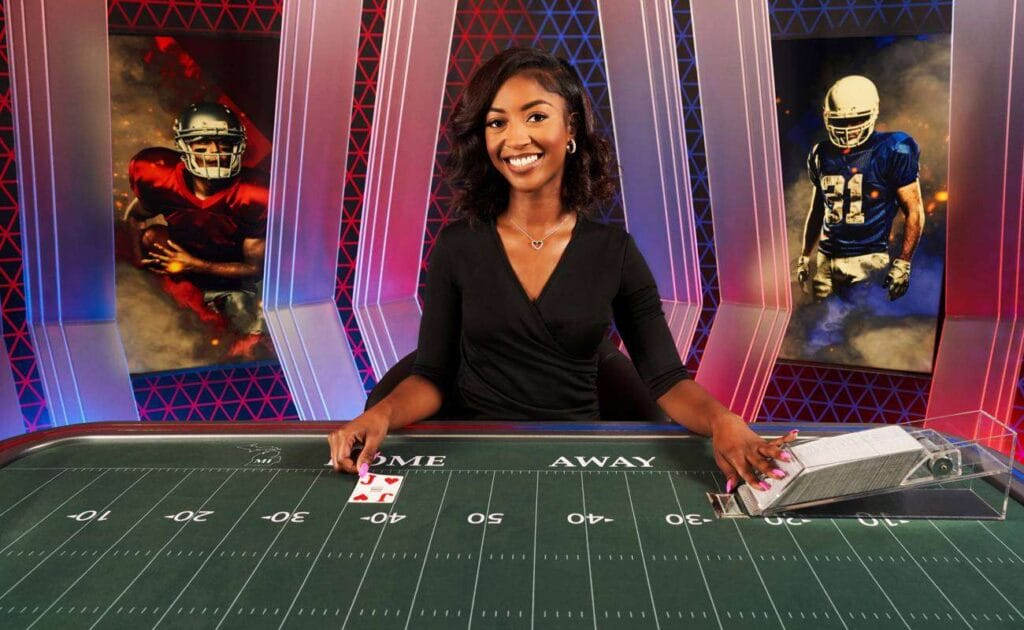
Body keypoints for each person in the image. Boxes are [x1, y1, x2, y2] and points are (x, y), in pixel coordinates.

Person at [328, 48, 793, 493]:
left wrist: (724, 421)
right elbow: (431, 375)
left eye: (535, 116)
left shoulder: (614, 251)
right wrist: (380, 415)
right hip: (473, 452)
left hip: (575, 455)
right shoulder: (457, 246)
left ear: (570, 128)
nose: (515, 139)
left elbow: (666, 380)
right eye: (497, 122)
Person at [125, 102, 269, 358]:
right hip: (186, 258)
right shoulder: (159, 174)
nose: (214, 151)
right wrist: (138, 259)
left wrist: (196, 264)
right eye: (203, 143)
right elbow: (135, 217)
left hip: (234, 273)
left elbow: (255, 267)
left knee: (250, 321)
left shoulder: (253, 193)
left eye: (224, 144)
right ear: (184, 146)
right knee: (152, 237)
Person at [795, 75, 925, 302]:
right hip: (826, 258)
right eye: (840, 122)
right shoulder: (820, 153)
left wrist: (904, 262)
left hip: (868, 258)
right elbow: (818, 210)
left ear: (872, 113)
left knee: (859, 325)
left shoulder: (893, 147)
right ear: (827, 118)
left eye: (856, 120)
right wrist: (805, 256)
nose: (848, 129)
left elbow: (913, 210)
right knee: (820, 323)